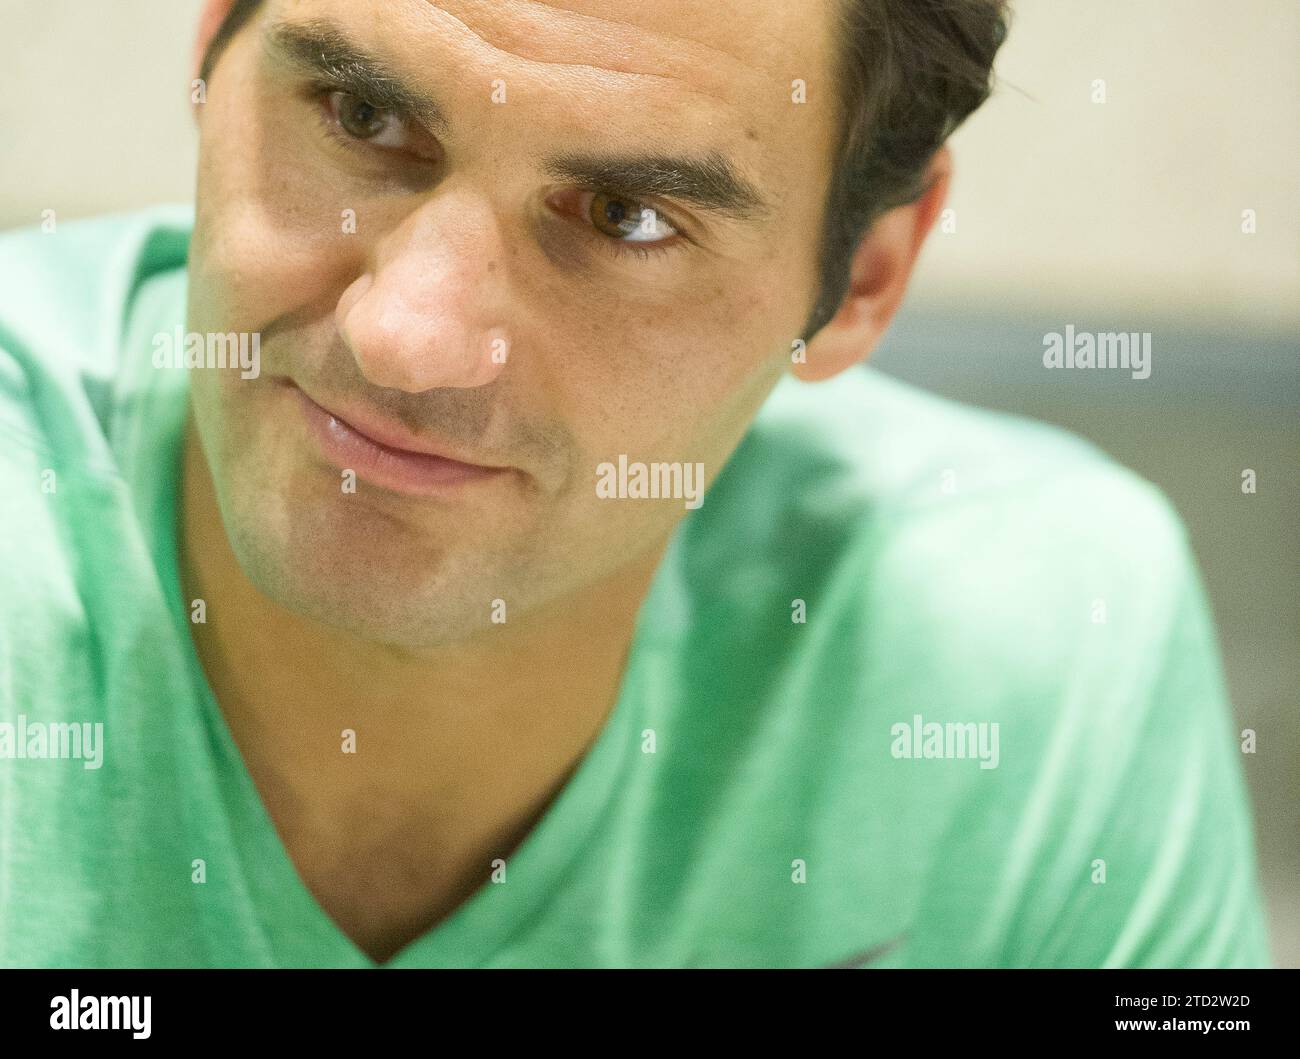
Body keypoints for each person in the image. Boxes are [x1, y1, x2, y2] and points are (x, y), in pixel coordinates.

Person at [0, 0, 1271, 968]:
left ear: (865, 277)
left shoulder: (1036, 651)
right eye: (361, 117)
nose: (407, 335)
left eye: (623, 217)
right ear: (216, 41)